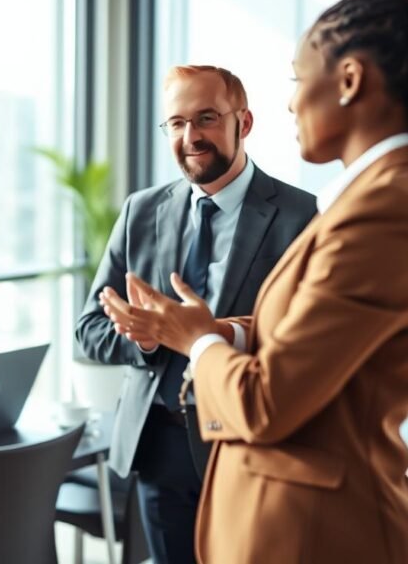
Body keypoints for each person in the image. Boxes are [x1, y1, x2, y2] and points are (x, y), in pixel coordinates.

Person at [100, 0, 408, 562]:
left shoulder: (388, 211)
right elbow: (310, 336)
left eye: (297, 79)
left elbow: (266, 403)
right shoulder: (374, 197)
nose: (292, 102)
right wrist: (225, 331)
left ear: (349, 80)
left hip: (318, 530)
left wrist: (195, 341)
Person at [76, 65, 316, 563]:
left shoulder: (298, 217)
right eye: (177, 123)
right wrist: (146, 338)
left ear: (243, 123)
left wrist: (212, 336)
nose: (191, 137)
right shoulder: (140, 212)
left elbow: (304, 343)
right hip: (159, 440)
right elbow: (88, 330)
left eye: (206, 118)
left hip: (247, 439)